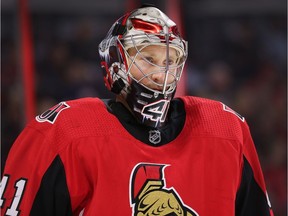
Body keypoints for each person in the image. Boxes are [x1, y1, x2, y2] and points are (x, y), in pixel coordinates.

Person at [0, 5, 273, 216]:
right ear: (115, 62)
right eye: (147, 59)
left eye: (170, 60)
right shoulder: (65, 132)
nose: (161, 73)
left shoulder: (226, 131)